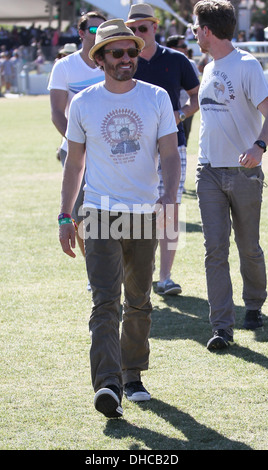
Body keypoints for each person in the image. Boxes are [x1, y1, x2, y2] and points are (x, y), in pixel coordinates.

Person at [58, 19, 181, 418]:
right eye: (117, 53)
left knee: (140, 300)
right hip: (98, 212)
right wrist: (64, 216)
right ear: (101, 58)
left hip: (144, 212)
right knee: (105, 300)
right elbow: (74, 164)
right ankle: (108, 384)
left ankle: (133, 375)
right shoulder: (85, 102)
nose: (127, 58)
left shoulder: (157, 97)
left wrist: (168, 196)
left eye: (132, 51)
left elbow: (169, 153)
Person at [192, 0, 268, 351]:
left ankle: (254, 304)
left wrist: (258, 147)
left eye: (196, 28)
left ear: (208, 30)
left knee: (248, 247)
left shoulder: (247, 65)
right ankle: (221, 327)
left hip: (244, 171)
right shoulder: (207, 67)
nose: (194, 34)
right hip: (208, 170)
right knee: (215, 250)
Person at [126, 3, 200, 296]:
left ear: (155, 27)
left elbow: (195, 98)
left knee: (169, 207)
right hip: (134, 147)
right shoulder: (124, 59)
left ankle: (165, 277)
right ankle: (141, 271)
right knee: (137, 208)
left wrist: (178, 116)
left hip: (173, 145)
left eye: (142, 28)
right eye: (132, 30)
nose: (137, 34)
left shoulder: (177, 60)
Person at [48, 11, 107, 259]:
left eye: (102, 30)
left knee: (112, 213)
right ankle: (94, 271)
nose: (98, 35)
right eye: (93, 30)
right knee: (81, 213)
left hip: (109, 151)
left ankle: (120, 269)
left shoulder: (113, 63)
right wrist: (79, 145)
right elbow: (57, 113)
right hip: (75, 151)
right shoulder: (65, 67)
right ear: (81, 33)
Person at [166, 34, 200, 144]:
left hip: (187, 106)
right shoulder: (164, 63)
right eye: (183, 45)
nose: (187, 48)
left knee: (185, 137)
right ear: (173, 48)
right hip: (171, 109)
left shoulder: (190, 63)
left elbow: (197, 89)